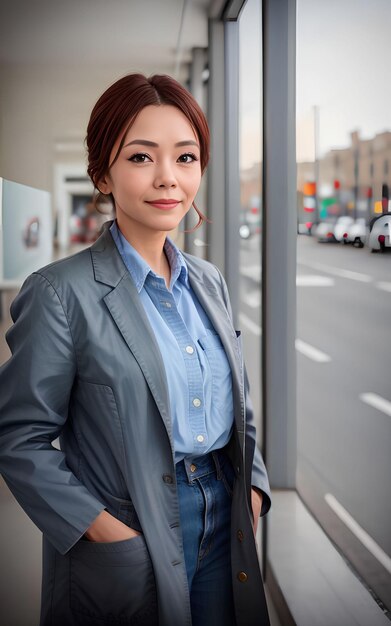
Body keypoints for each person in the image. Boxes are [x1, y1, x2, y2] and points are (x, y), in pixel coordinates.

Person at [0, 73, 271, 626]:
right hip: (132, 525)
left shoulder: (209, 282)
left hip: (227, 517)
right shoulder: (60, 293)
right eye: (142, 157)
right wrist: (102, 528)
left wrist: (255, 490)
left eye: (187, 157)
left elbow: (234, 402)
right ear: (103, 173)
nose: (168, 178)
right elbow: (17, 437)